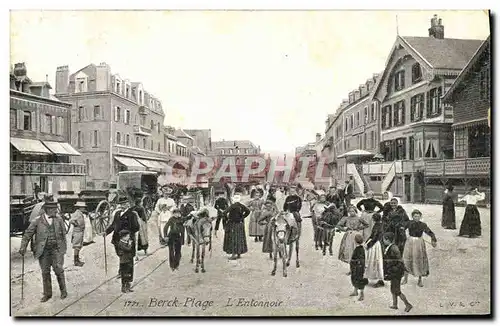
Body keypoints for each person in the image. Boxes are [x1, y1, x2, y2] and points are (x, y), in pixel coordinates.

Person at [19, 198, 68, 302]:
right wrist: (23, 247)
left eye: (55, 208)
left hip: (56, 250)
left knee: (59, 270)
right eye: (53, 209)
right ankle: (47, 294)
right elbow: (27, 234)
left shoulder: (59, 219)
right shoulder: (37, 221)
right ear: (47, 210)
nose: (56, 210)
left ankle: (63, 291)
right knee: (45, 272)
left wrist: (63, 250)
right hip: (43, 251)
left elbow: (63, 235)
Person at [104, 188, 141, 276]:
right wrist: (106, 232)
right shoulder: (117, 213)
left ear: (128, 204)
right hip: (117, 238)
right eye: (121, 204)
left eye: (125, 204)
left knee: (128, 257)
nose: (123, 205)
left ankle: (127, 276)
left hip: (127, 239)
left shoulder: (132, 214)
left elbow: (136, 227)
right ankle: (121, 270)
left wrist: (127, 234)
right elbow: (113, 225)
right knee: (120, 255)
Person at [402, 209, 437, 287]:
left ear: (420, 217)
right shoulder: (409, 223)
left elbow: (430, 232)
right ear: (412, 216)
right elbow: (401, 229)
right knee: (407, 259)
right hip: (410, 242)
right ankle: (405, 278)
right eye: (415, 216)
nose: (416, 218)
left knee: (420, 260)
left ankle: (420, 280)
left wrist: (433, 240)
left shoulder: (423, 225)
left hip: (419, 243)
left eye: (418, 216)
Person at [383, 232, 413, 313]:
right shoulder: (391, 247)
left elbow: (398, 260)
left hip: (396, 272)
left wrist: (392, 266)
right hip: (393, 271)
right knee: (393, 289)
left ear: (388, 240)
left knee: (397, 290)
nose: (383, 241)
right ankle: (395, 304)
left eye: (384, 239)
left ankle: (408, 304)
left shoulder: (393, 248)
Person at [336, 205, 369, 274]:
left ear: (355, 211)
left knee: (357, 251)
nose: (351, 213)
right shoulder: (346, 218)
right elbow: (338, 225)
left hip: (356, 236)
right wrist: (344, 229)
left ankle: (359, 269)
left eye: (353, 211)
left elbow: (367, 225)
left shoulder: (359, 218)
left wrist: (359, 228)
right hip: (348, 236)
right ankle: (351, 270)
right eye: (350, 211)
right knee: (349, 252)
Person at [223, 192, 251, 260]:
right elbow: (248, 211)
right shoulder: (241, 206)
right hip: (240, 224)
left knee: (233, 239)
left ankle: (233, 254)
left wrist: (227, 219)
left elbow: (225, 213)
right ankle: (238, 253)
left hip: (233, 224)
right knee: (239, 238)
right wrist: (242, 217)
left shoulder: (232, 206)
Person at [365, 212, 385, 287]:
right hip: (375, 243)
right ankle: (370, 277)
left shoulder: (378, 226)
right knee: (374, 260)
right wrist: (367, 241)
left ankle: (379, 279)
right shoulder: (378, 225)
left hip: (375, 244)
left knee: (375, 260)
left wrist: (369, 244)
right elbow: (372, 235)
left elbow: (375, 237)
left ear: (374, 219)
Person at [349, 234, 368, 301]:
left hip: (358, 268)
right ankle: (355, 291)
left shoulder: (359, 249)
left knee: (359, 281)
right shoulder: (360, 248)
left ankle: (362, 295)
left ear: (355, 241)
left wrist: (355, 264)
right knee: (355, 279)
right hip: (356, 267)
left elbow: (360, 260)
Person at [69, 201, 87, 267]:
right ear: (80, 207)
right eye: (83, 207)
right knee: (77, 246)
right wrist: (76, 224)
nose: (84, 208)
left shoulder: (80, 213)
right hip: (77, 232)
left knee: (79, 246)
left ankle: (77, 260)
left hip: (80, 231)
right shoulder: (77, 213)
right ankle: (76, 261)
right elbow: (71, 220)